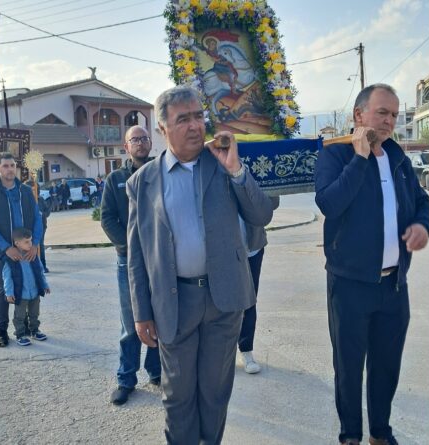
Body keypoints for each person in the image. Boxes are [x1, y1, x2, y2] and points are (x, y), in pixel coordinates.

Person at [127, 85, 273, 444]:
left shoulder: (223, 163)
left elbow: (261, 213)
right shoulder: (142, 183)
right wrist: (141, 312)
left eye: (198, 116)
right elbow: (137, 254)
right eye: (183, 119)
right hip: (175, 302)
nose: (195, 126)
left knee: (215, 392)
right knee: (178, 395)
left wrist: (236, 170)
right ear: (163, 128)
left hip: (223, 301)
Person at [314, 84, 429, 445]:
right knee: (349, 370)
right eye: (383, 112)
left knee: (386, 366)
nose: (390, 121)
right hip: (349, 286)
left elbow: (422, 200)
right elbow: (330, 205)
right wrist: (360, 158)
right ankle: (350, 435)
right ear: (359, 115)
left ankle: (381, 432)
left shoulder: (397, 157)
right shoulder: (335, 156)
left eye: (394, 115)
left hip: (394, 285)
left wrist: (422, 225)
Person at [101, 125, 160, 405]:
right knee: (131, 321)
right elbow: (107, 218)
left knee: (160, 317)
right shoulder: (115, 180)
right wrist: (127, 247)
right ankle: (126, 378)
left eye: (144, 138)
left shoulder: (160, 173)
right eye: (134, 139)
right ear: (126, 146)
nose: (140, 143)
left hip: (158, 259)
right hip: (127, 261)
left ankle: (156, 371)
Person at [0, 152, 44, 347]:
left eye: (12, 165)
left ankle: (27, 328)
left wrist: (35, 244)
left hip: (27, 248)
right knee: (4, 288)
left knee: (28, 286)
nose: (10, 169)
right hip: (2, 250)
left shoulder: (25, 191)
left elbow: (37, 218)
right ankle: (2, 330)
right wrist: (7, 248)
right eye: (6, 166)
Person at [236, 196, 280, 374]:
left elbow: (273, 203)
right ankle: (221, 353)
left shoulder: (254, 169)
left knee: (249, 299)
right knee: (220, 302)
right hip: (222, 247)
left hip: (252, 246)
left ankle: (246, 349)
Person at [3, 227, 51, 346]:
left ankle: (34, 331)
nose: (30, 244)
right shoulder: (10, 260)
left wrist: (45, 285)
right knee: (19, 316)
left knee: (34, 313)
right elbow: (7, 277)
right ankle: (20, 334)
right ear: (17, 243)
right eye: (27, 242)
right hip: (21, 293)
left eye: (31, 240)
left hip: (34, 292)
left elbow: (40, 272)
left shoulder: (33, 256)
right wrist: (9, 293)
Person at [37, 190, 51, 274]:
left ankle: (43, 266)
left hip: (41, 226)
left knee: (40, 245)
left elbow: (48, 211)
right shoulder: (26, 199)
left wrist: (42, 214)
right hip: (29, 228)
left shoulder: (41, 200)